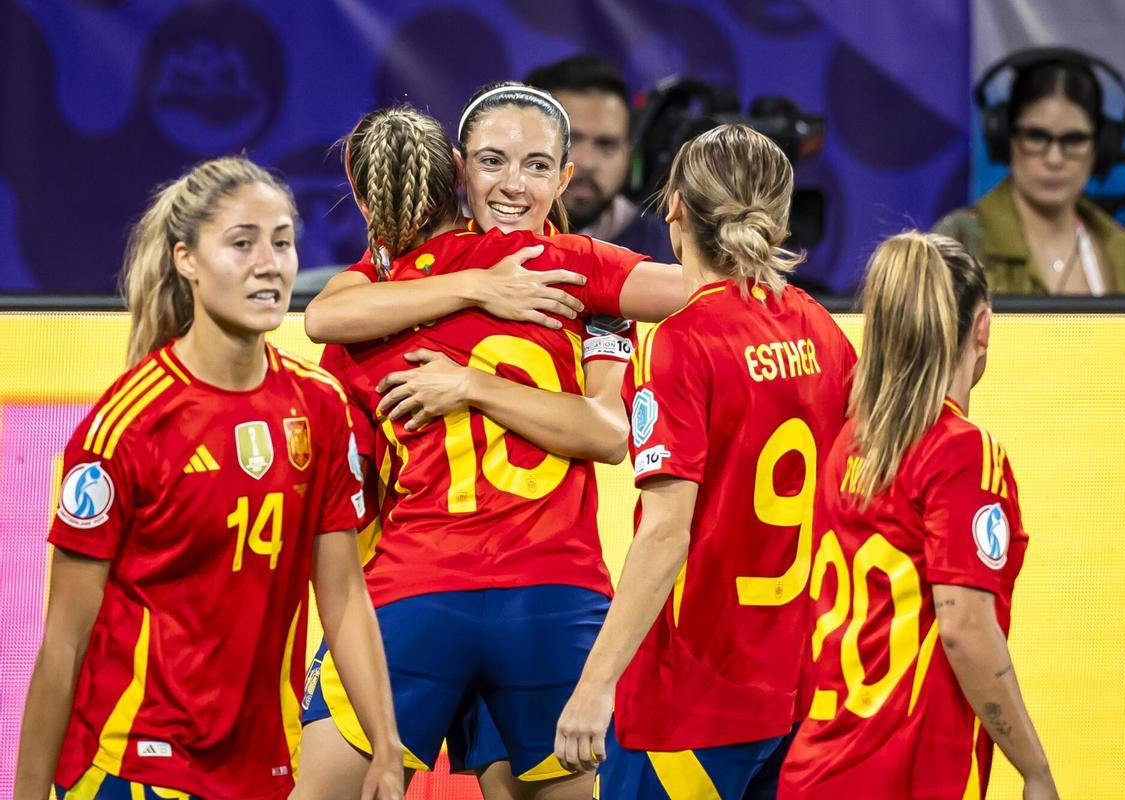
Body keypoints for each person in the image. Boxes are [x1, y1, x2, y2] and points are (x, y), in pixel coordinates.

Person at [294, 94, 685, 800]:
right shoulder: (578, 270)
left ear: (563, 177)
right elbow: (703, 294)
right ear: (459, 170)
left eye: (535, 166)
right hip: (554, 602)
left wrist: (471, 385)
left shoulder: (376, 300)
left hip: (414, 594)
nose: (513, 184)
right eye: (494, 162)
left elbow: (322, 328)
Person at [13, 157, 404, 800]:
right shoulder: (127, 427)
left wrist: (386, 748)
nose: (269, 264)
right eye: (242, 244)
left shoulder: (321, 407)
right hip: (132, 768)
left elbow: (343, 597)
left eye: (282, 243)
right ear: (187, 260)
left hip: (261, 771)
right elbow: (64, 641)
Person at [554, 124, 858, 799]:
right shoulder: (817, 326)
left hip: (693, 699)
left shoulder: (682, 342)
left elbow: (666, 532)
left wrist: (596, 684)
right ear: (778, 219)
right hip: (796, 688)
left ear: (675, 208)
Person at [778, 232, 1057, 799]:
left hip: (815, 770)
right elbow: (965, 627)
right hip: (903, 775)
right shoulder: (961, 452)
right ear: (982, 327)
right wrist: (1035, 770)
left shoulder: (850, 445)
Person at [936, 55, 1125, 295]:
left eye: (1074, 139)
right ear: (1006, 139)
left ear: (1100, 148)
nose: (1054, 159)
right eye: (1036, 136)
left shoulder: (1124, 254)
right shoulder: (958, 243)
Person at [525, 54, 675, 263]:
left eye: (607, 144)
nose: (587, 163)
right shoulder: (476, 232)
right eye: (569, 140)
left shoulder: (671, 254)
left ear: (628, 153)